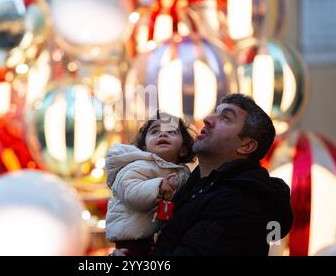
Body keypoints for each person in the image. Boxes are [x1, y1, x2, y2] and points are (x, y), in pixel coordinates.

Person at [113, 93, 293, 256]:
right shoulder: (194, 183)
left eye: (226, 118)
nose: (208, 119)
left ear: (246, 146)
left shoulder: (243, 201)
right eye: (215, 112)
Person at [105, 111, 196, 256]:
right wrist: (158, 186)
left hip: (159, 238)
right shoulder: (138, 165)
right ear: (145, 148)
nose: (163, 134)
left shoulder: (183, 173)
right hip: (132, 242)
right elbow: (130, 192)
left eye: (171, 132)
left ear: (184, 150)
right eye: (155, 131)